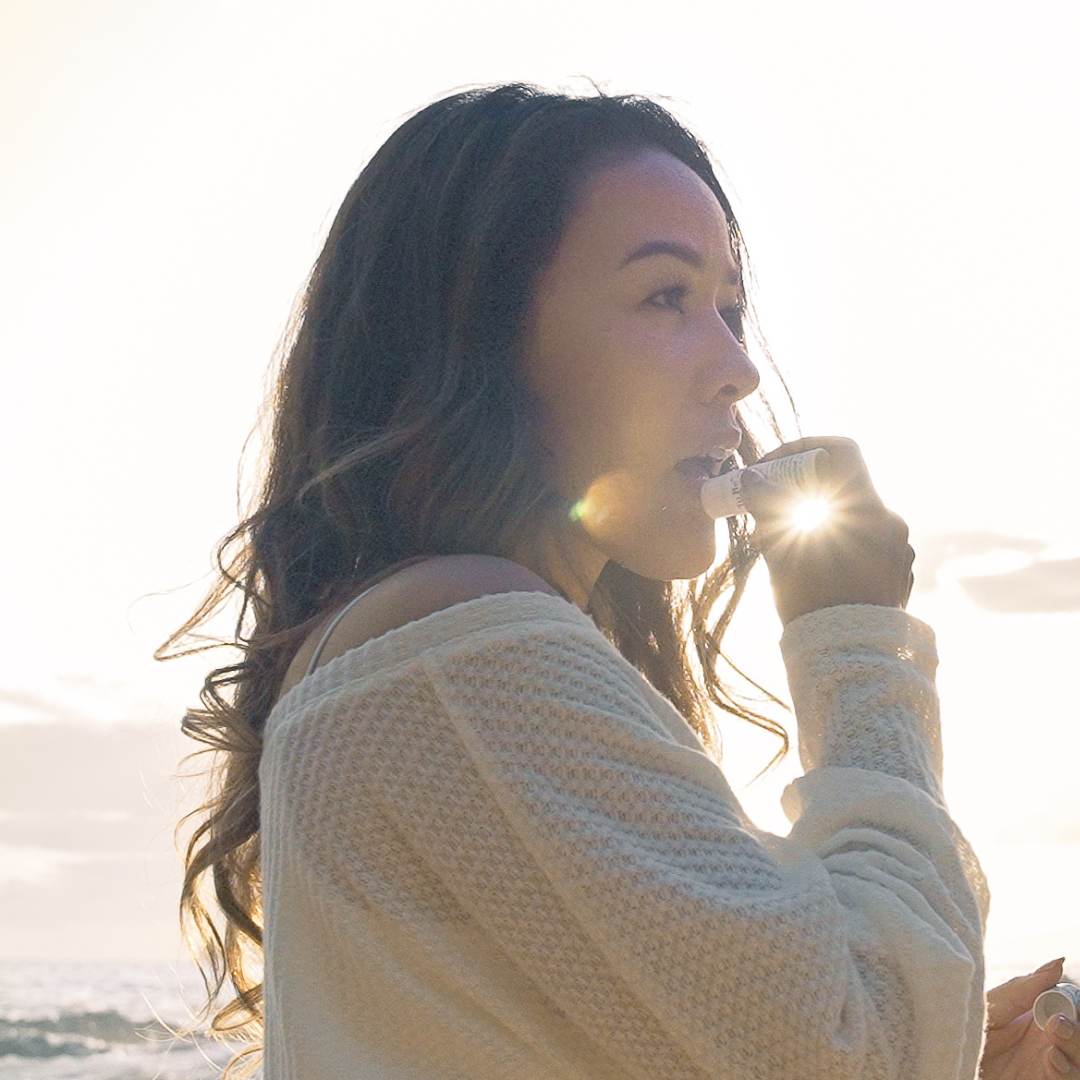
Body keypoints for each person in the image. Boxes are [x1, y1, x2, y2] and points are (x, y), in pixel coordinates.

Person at [164, 84, 1080, 1079]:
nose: (738, 369)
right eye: (665, 297)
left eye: (730, 307)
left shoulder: (429, 647)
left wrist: (955, 1060)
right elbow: (852, 1055)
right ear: (481, 336)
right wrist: (856, 640)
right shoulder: (458, 639)